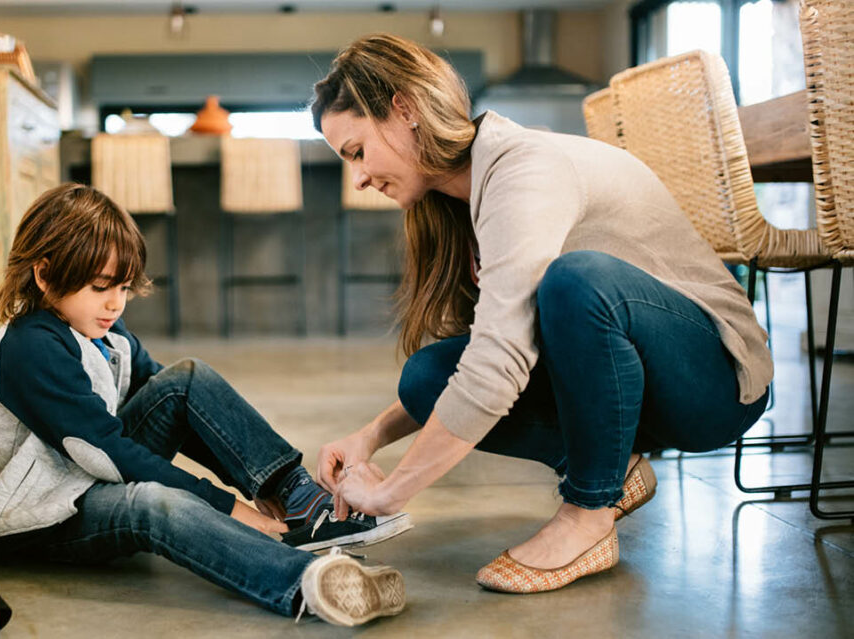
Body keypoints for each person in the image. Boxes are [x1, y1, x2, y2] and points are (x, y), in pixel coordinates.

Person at [311, 34, 772, 593]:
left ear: (405, 110)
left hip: (714, 383)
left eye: (358, 151)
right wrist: (370, 436)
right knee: (427, 376)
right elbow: (487, 352)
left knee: (576, 280)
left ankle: (589, 514)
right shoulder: (458, 200)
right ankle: (615, 471)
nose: (358, 178)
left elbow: (500, 362)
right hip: (629, 385)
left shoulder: (524, 170)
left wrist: (390, 493)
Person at [0, 183, 411, 625]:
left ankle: (299, 501)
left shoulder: (102, 331)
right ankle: (306, 581)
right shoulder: (30, 347)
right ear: (44, 275)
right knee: (152, 502)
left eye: (123, 287)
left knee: (186, 379)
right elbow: (105, 452)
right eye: (101, 286)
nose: (115, 303)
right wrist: (226, 506)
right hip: (37, 519)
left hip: (81, 477)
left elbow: (174, 398)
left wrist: (256, 484)